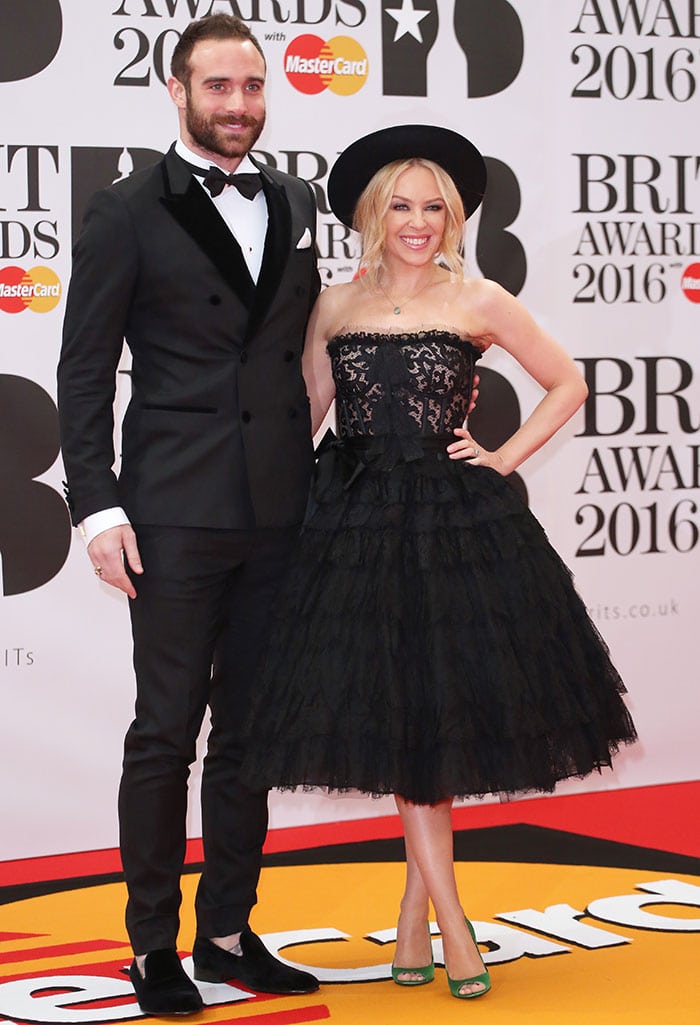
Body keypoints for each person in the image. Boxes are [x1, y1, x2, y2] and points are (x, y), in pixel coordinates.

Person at [241, 124, 638, 1000]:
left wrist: (502, 455)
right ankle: (428, 919)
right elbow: (310, 409)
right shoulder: (333, 304)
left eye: (433, 208)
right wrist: (254, 510)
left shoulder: (481, 297)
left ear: (453, 217)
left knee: (431, 719)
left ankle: (443, 921)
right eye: (400, 206)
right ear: (370, 215)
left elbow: (568, 382)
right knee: (404, 722)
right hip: (349, 524)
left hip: (451, 525)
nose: (417, 223)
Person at [57, 13, 322, 1015]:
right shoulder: (126, 209)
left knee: (251, 729)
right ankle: (151, 947)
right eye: (220, 88)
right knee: (166, 733)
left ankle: (226, 930)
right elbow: (82, 372)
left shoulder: (295, 196)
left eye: (253, 87)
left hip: (278, 510)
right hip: (171, 509)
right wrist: (96, 507)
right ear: (177, 91)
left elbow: (297, 349)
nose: (240, 107)